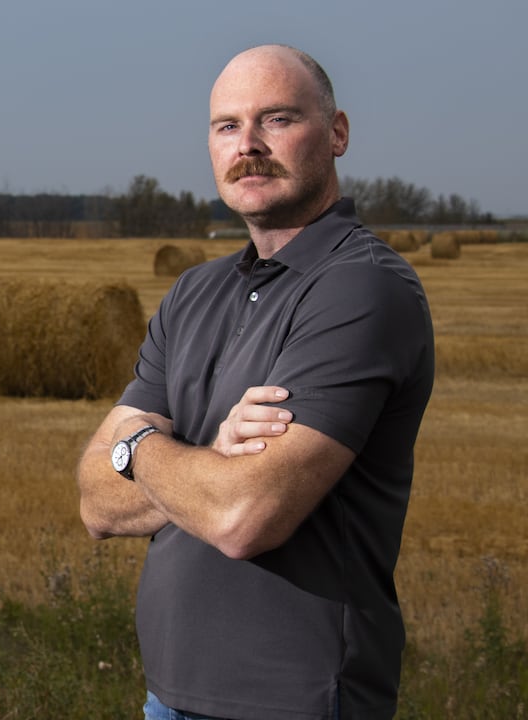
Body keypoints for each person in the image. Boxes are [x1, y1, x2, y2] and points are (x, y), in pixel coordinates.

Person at [76, 44, 434, 719]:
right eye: (227, 126)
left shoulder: (361, 289)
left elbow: (245, 518)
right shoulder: (194, 292)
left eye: (276, 120)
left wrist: (136, 448)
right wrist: (212, 458)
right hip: (167, 699)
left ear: (337, 134)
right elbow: (95, 504)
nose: (249, 145)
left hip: (297, 701)